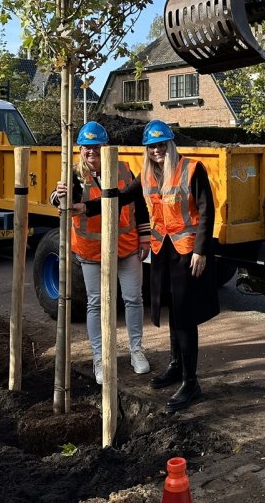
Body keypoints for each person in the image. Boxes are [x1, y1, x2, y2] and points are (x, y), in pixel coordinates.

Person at [78, 119, 218, 411]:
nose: (156, 151)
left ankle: (191, 383)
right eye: (151, 146)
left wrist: (201, 251)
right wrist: (87, 207)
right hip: (163, 251)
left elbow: (207, 210)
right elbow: (121, 196)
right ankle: (176, 366)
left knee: (185, 315)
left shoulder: (192, 169)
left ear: (170, 144)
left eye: (160, 145)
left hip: (187, 252)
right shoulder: (147, 174)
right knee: (172, 310)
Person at [52, 121, 151, 384]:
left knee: (133, 298)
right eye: (87, 148)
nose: (91, 153)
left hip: (126, 246)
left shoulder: (123, 169)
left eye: (96, 148)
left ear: (105, 147)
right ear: (80, 149)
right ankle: (99, 357)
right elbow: (61, 198)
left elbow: (137, 202)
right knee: (96, 303)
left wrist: (144, 237)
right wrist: (57, 195)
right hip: (92, 250)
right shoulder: (73, 175)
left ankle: (136, 350)